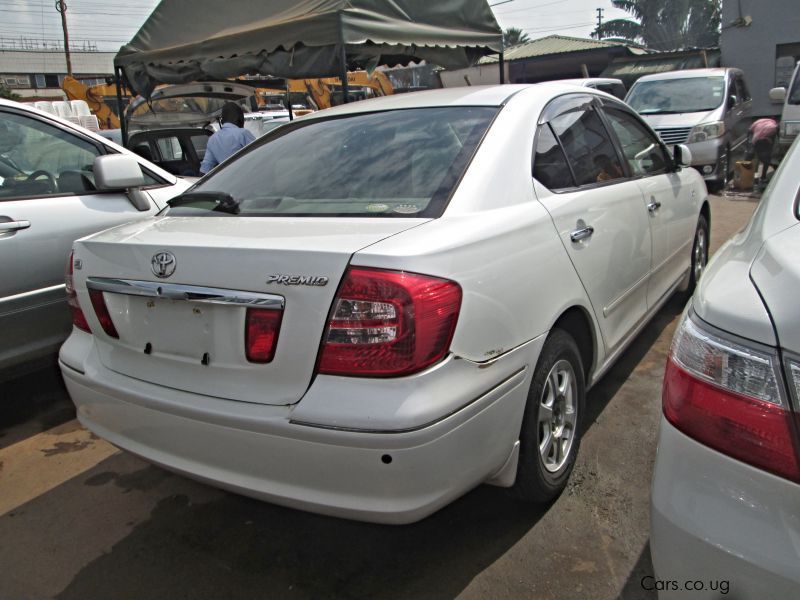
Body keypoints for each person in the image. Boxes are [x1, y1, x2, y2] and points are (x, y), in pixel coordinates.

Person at [199, 102, 256, 175]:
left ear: (223, 120)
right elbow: (260, 154)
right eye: (242, 117)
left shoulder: (213, 139)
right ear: (237, 117)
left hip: (226, 182)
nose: (243, 120)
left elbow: (205, 168)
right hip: (247, 177)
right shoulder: (242, 133)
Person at [747, 117, 778, 186]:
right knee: (766, 159)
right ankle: (763, 177)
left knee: (758, 159)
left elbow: (749, 132)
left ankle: (754, 177)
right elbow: (775, 135)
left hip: (756, 141)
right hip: (766, 141)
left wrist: (751, 144)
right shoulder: (773, 125)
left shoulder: (757, 122)